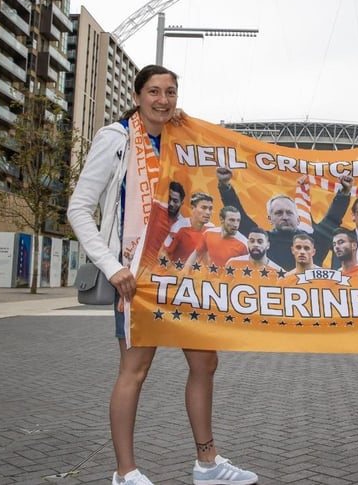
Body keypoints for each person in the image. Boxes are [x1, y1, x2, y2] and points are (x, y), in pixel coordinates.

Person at [67, 64, 257, 485]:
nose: (162, 100)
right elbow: (78, 208)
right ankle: (125, 472)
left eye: (170, 92)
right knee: (135, 369)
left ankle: (207, 464)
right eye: (153, 91)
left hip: (183, 276)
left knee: (205, 362)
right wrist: (113, 267)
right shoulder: (114, 139)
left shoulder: (181, 140)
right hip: (136, 277)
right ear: (137, 96)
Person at [215, 168, 352, 270]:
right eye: (279, 213)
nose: (285, 217)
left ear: (298, 218)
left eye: (289, 213)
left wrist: (344, 192)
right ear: (270, 218)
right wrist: (225, 186)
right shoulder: (262, 240)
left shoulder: (314, 241)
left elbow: (333, 219)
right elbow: (240, 218)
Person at [162, 191, 214, 265]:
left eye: (210, 208)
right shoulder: (179, 227)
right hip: (174, 272)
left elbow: (207, 255)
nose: (208, 212)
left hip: (193, 273)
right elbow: (162, 253)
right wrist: (175, 272)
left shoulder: (211, 229)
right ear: (193, 208)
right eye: (204, 208)